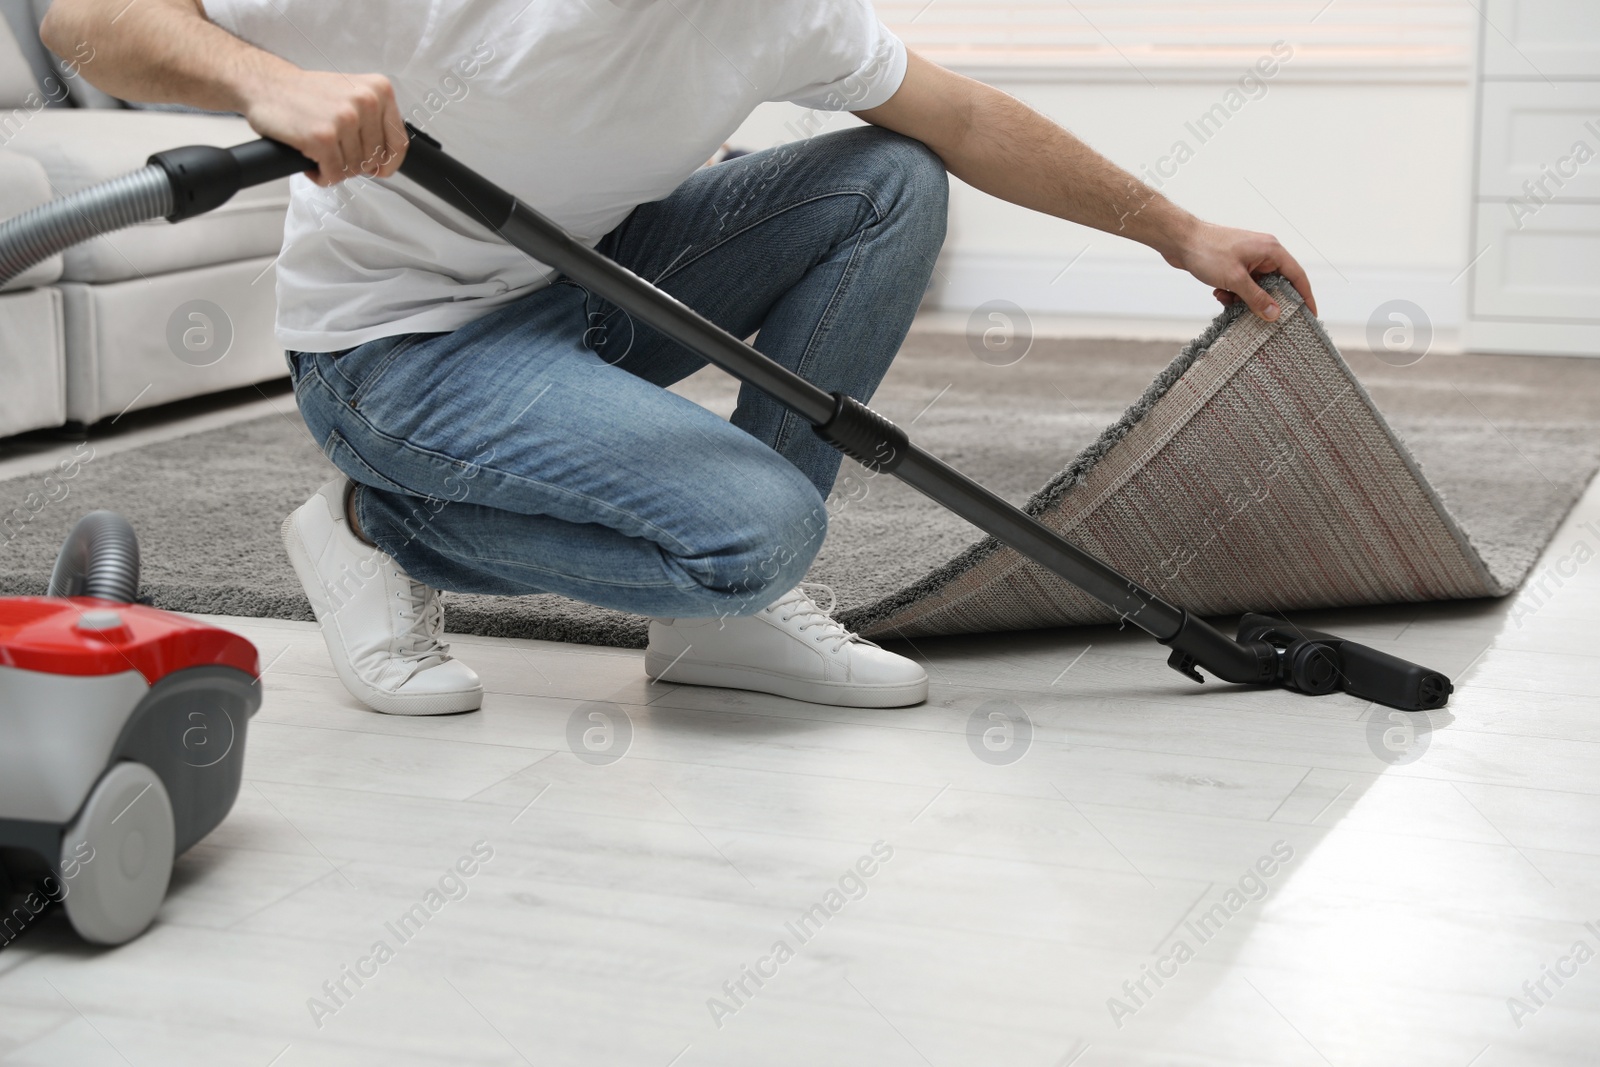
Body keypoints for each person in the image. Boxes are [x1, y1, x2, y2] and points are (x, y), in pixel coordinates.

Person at [43, 0, 1317, 715]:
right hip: (400, 352)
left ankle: (731, 622)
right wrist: (263, 79)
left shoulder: (777, 8)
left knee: (889, 176)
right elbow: (84, 22)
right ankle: (378, 526)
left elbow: (969, 116)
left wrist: (1176, 229)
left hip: (579, 274)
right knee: (751, 530)